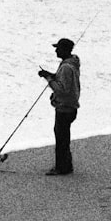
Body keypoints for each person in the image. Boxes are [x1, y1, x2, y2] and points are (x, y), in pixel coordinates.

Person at [38, 38, 81, 175]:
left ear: (65, 50)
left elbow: (62, 89)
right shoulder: (71, 64)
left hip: (65, 107)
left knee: (61, 138)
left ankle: (61, 168)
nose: (56, 50)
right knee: (64, 137)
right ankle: (66, 166)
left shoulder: (66, 67)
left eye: (58, 48)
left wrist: (49, 79)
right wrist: (48, 75)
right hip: (70, 107)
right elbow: (62, 80)